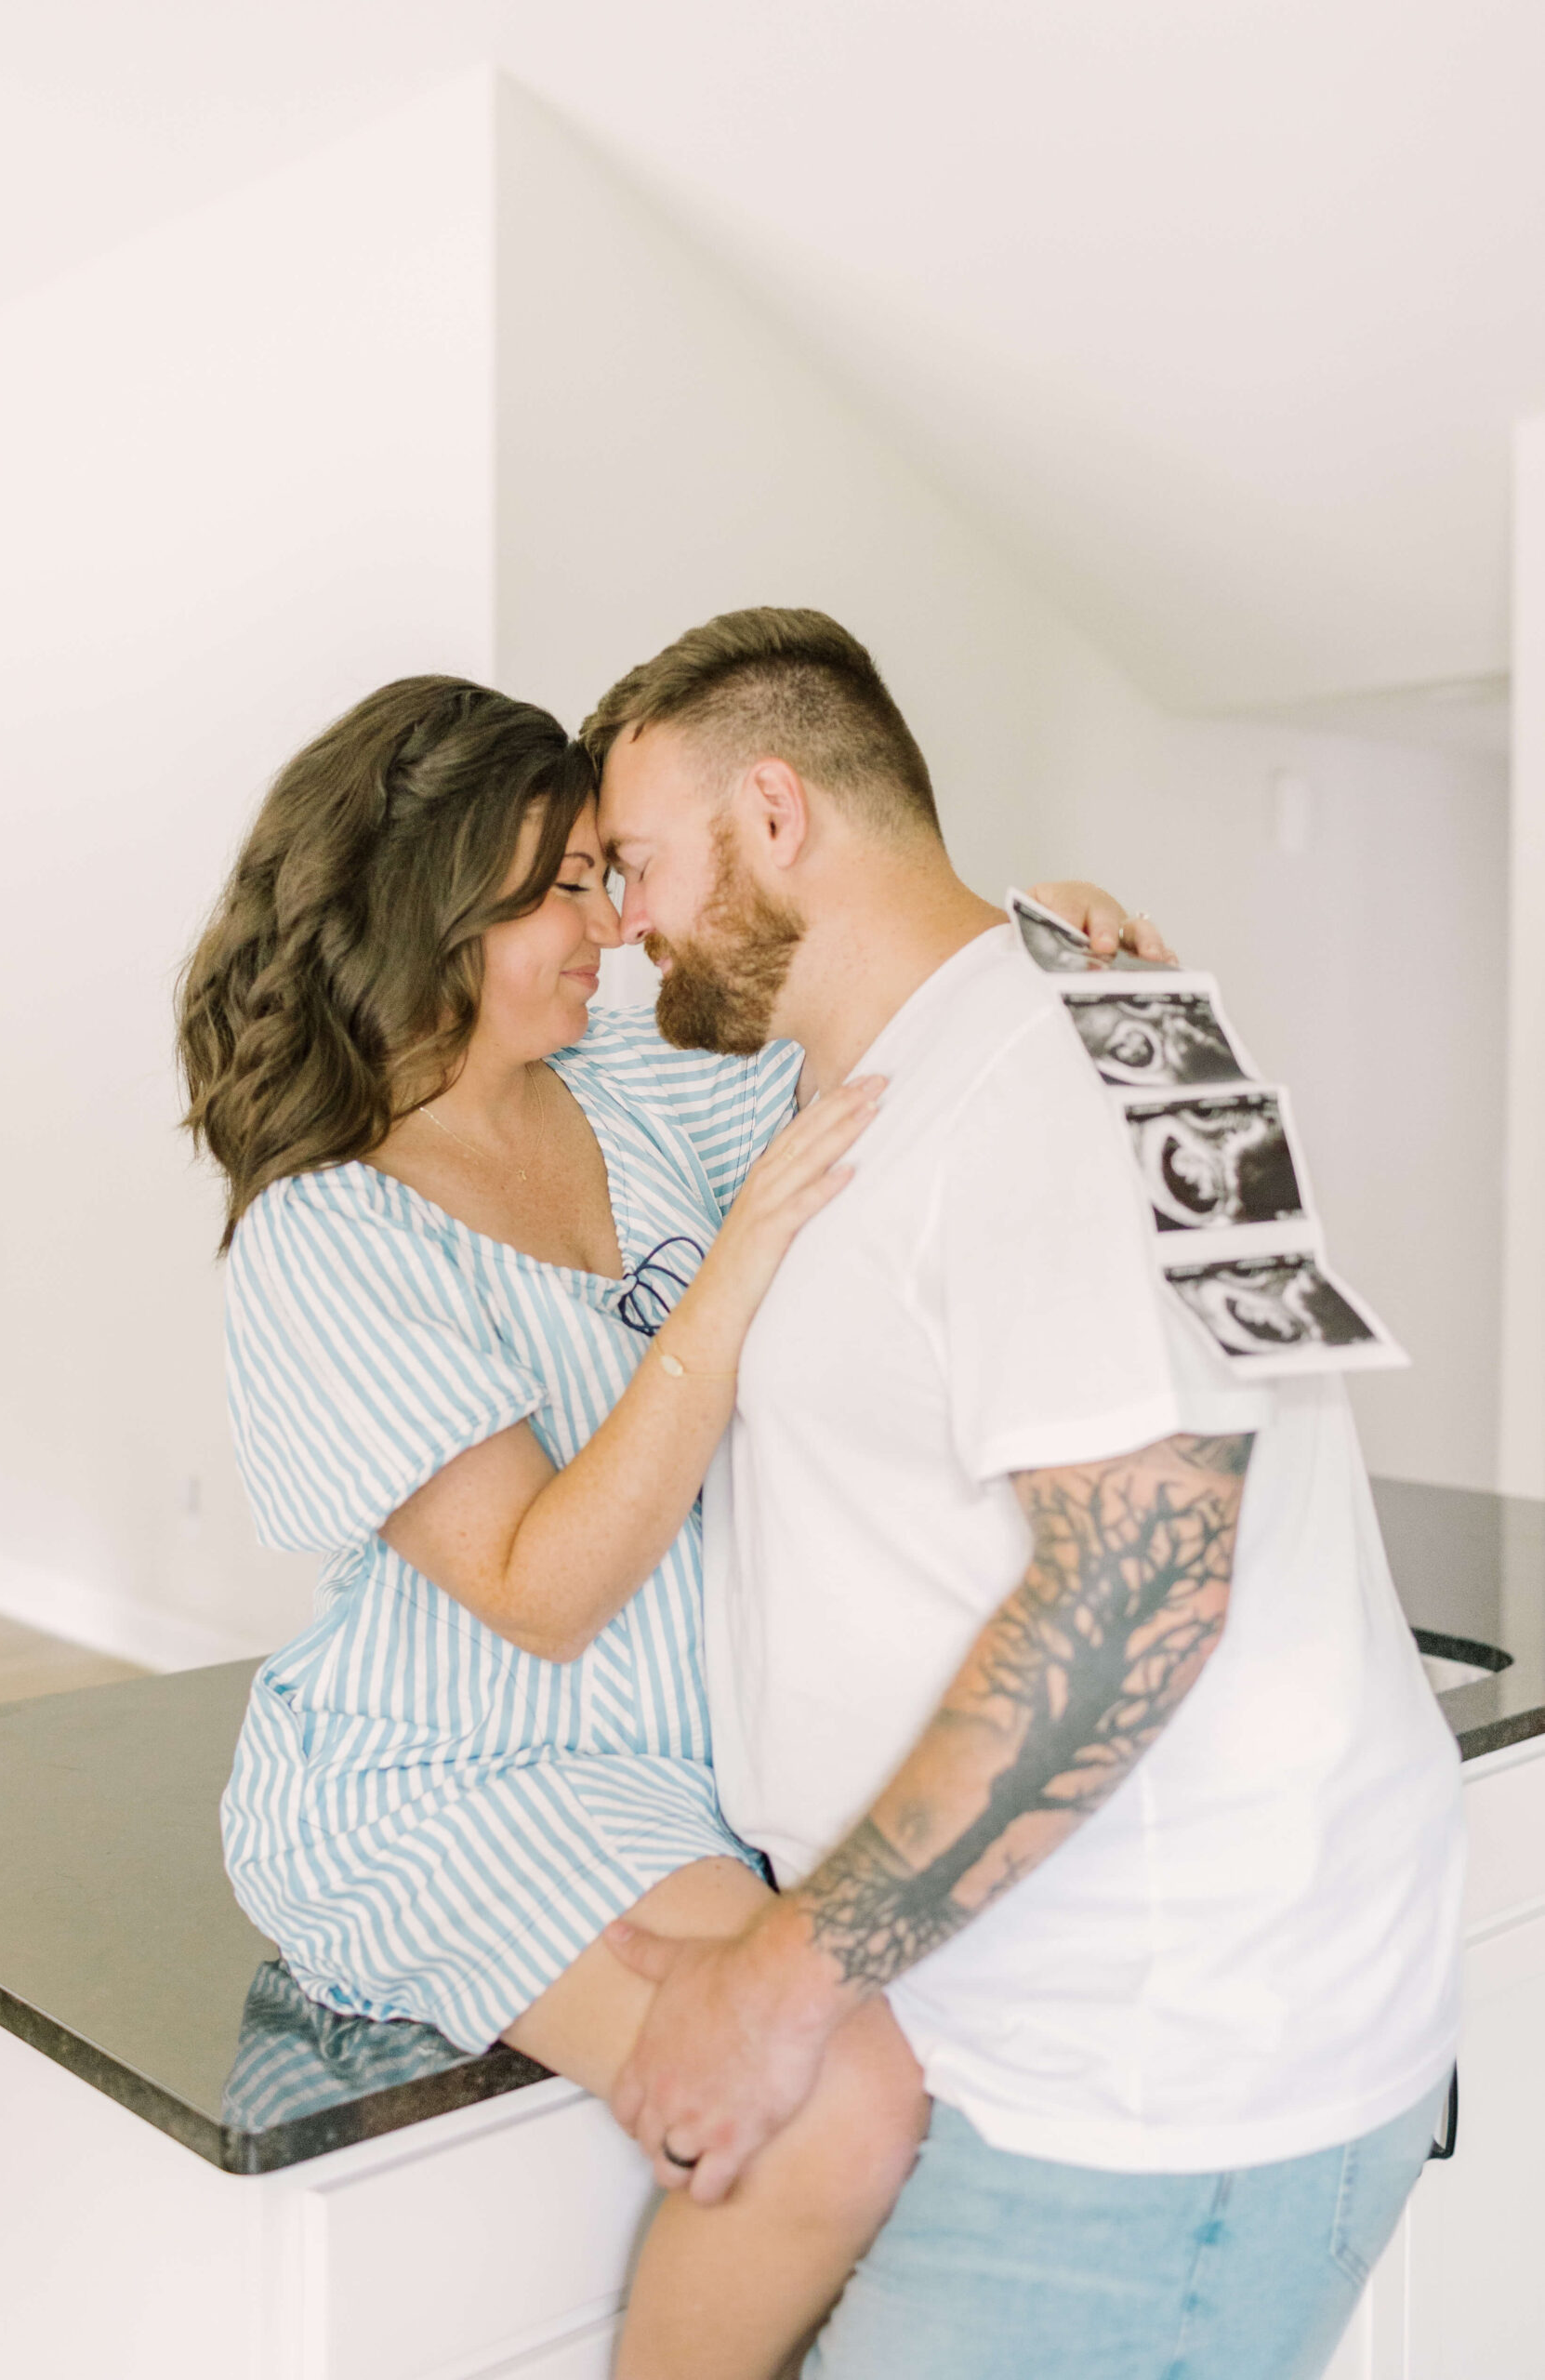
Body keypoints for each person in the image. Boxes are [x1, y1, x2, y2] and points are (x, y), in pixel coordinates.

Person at [178, 675, 1157, 2380]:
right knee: (830, 2105)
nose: (614, 925)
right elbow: (539, 1593)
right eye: (566, 885)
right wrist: (735, 1266)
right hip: (458, 1779)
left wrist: (1031, 938)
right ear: (433, 909)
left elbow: (874, 1025)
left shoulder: (636, 1090)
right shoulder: (325, 1236)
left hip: (694, 1766)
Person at [576, 607, 1466, 2380]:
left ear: (774, 811)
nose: (624, 925)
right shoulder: (1066, 1015)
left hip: (1150, 2090)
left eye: (635, 862)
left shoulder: (1039, 1075)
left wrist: (774, 1986)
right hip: (1047, 2033)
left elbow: (1139, 1584)